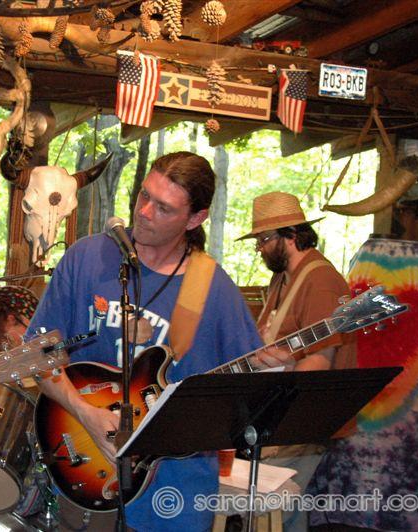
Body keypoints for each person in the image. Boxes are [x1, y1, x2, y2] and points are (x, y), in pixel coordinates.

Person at [27, 151, 263, 531]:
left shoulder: (213, 288)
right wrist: (86, 414)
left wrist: (274, 367)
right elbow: (38, 356)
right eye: (144, 196)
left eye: (164, 208)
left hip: (176, 494)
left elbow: (249, 387)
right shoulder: (87, 258)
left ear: (195, 218)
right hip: (85, 472)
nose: (144, 212)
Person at [239, 191, 356, 532]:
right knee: (277, 509)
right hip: (283, 413)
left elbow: (320, 363)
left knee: (276, 508)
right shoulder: (283, 277)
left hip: (303, 416)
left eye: (264, 240)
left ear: (290, 235)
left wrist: (274, 414)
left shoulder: (321, 281)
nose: (259, 248)